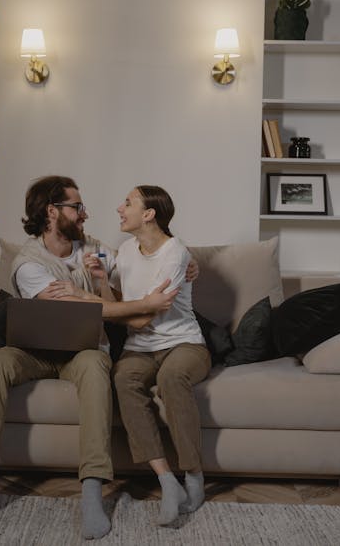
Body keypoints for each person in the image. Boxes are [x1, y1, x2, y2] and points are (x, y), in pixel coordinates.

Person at [0, 175, 189, 540]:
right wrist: (134, 305)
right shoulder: (28, 263)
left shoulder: (94, 248)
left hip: (83, 353)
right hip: (35, 354)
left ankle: (91, 491)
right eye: (76, 207)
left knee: (95, 365)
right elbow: (73, 307)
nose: (85, 213)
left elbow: (142, 262)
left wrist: (188, 266)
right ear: (51, 211)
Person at [103, 185, 212, 526]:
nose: (120, 208)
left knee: (171, 376)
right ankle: (166, 480)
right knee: (122, 378)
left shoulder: (176, 253)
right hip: (140, 347)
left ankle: (193, 475)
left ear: (148, 214)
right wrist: (98, 281)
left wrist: (99, 306)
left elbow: (142, 315)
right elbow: (121, 296)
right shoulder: (125, 249)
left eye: (128, 203)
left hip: (185, 344)